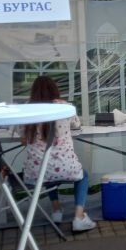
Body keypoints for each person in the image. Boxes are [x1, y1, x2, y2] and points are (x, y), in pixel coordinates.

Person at [22, 75, 95, 233]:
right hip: (66, 167)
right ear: (55, 89)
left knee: (46, 170)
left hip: (36, 172)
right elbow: (77, 124)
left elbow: (21, 136)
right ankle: (79, 217)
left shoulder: (26, 109)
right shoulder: (65, 107)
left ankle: (56, 210)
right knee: (83, 176)